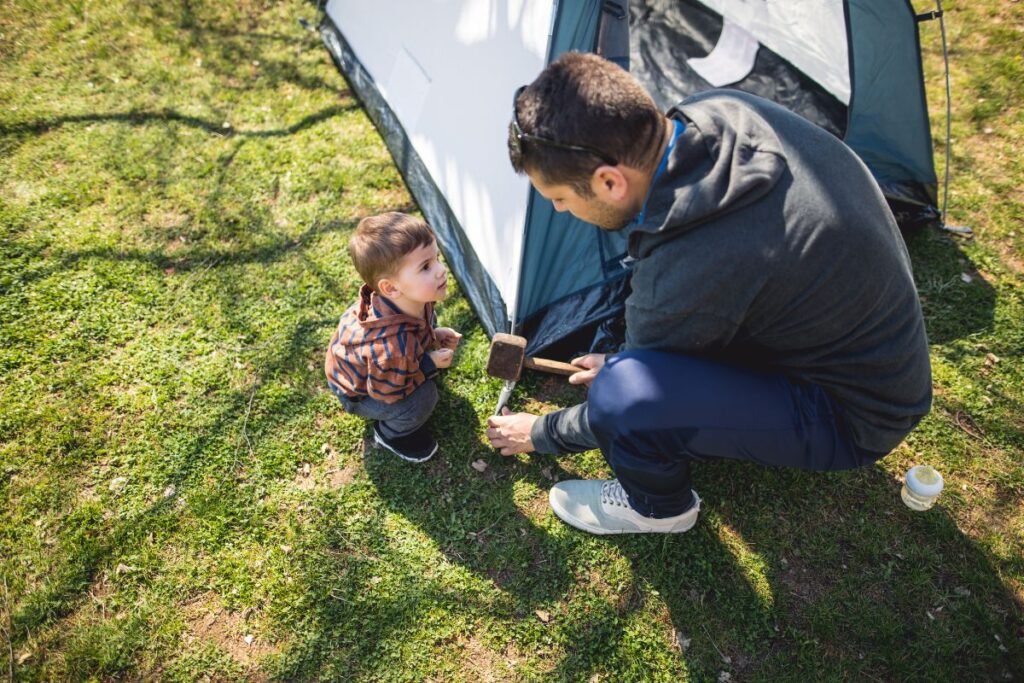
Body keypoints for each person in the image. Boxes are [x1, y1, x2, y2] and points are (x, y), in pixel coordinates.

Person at [486, 52, 932, 535]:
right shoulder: (717, 109)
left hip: (855, 415)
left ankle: (658, 509)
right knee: (631, 367)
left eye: (560, 198)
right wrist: (633, 352)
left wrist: (542, 431)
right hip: (866, 346)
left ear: (610, 181)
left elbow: (633, 398)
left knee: (621, 392)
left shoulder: (692, 268)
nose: (557, 210)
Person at [325, 212, 461, 463]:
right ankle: (391, 434)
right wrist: (428, 364)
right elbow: (387, 393)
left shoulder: (411, 300)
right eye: (425, 267)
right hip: (363, 391)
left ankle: (414, 362)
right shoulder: (392, 349)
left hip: (382, 363)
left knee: (428, 323)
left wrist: (432, 334)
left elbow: (416, 332)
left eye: (437, 258)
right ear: (390, 288)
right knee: (423, 398)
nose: (441, 270)